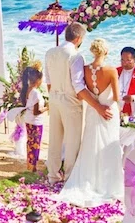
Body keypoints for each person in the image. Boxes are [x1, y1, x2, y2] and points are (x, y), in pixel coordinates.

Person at [58, 38, 124, 207]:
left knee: (90, 145)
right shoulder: (112, 71)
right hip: (109, 112)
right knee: (108, 146)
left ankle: (89, 179)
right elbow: (117, 97)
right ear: (106, 52)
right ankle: (106, 183)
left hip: (93, 111)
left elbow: (82, 91)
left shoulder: (86, 69)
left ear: (93, 52)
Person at [44, 23, 113, 184]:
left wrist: (55, 96)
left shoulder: (50, 52)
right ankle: (69, 177)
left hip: (54, 98)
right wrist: (98, 106)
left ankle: (52, 175)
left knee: (55, 138)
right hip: (70, 101)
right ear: (79, 38)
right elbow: (78, 85)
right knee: (73, 141)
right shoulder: (75, 56)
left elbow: (48, 82)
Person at [19, 67, 48, 172]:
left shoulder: (27, 89)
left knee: (30, 143)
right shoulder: (35, 92)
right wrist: (47, 108)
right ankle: (33, 167)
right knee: (35, 144)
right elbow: (36, 112)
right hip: (36, 122)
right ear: (38, 80)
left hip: (29, 120)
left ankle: (30, 165)